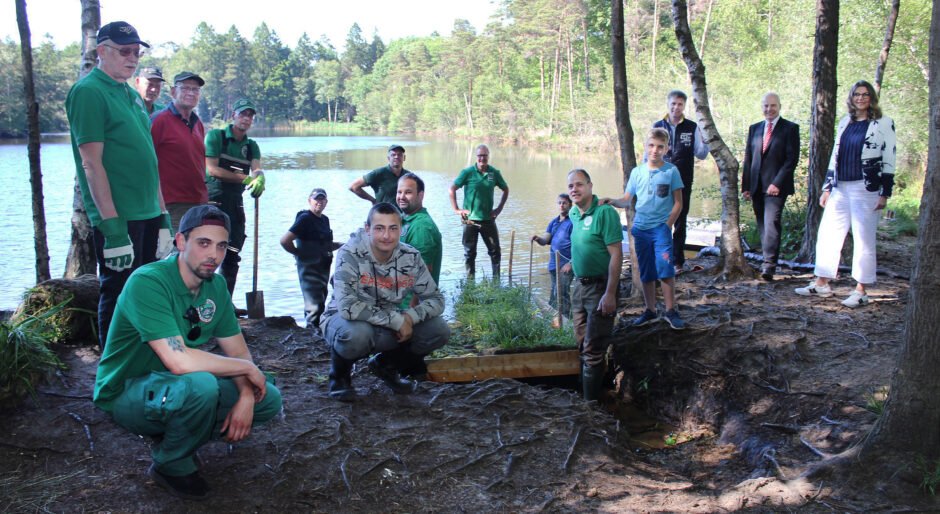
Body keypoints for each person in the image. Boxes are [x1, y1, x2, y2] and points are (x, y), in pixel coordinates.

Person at [92, 205, 282, 500]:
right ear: (180, 242)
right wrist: (245, 370)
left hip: (173, 386)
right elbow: (179, 360)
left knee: (266, 398)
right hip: (126, 391)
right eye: (203, 243)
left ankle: (178, 434)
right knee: (201, 385)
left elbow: (239, 353)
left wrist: (245, 394)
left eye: (221, 246)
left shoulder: (216, 286)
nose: (214, 256)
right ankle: (170, 464)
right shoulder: (148, 281)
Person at [65, 21, 173, 349]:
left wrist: (164, 217)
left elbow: (149, 161)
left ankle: (142, 358)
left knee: (147, 289)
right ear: (101, 51)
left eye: (136, 53)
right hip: (120, 217)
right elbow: (91, 165)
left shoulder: (130, 93)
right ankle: (111, 368)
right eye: (124, 51)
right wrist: (112, 228)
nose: (132, 59)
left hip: (149, 212)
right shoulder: (88, 92)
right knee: (117, 291)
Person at [321, 203, 450, 402]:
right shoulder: (349, 253)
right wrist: (396, 321)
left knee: (439, 329)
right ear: (368, 229)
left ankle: (386, 365)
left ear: (401, 229)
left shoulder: (411, 257)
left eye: (393, 228)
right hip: (343, 319)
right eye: (379, 228)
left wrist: (409, 317)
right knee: (357, 334)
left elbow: (437, 300)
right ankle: (339, 378)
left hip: (388, 319)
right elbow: (347, 307)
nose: (386, 236)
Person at [795, 80, 896, 308]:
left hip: (866, 188)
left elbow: (889, 159)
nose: (860, 98)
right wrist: (827, 187)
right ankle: (821, 283)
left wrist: (884, 193)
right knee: (828, 234)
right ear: (851, 98)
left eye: (865, 94)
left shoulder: (883, 124)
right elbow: (834, 155)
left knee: (863, 239)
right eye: (857, 94)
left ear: (872, 98)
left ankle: (861, 290)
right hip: (841, 188)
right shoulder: (845, 122)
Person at [604, 128, 685, 330]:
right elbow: (626, 200)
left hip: (661, 229)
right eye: (651, 145)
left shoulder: (671, 171)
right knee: (646, 271)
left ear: (666, 148)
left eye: (659, 146)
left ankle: (670, 310)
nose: (655, 150)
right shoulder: (637, 172)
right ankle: (650, 310)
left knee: (665, 269)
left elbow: (678, 203)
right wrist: (611, 201)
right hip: (640, 229)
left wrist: (667, 225)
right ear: (645, 146)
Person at [566, 170, 623, 401]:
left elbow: (616, 255)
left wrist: (610, 293)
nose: (574, 190)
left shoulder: (605, 213)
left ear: (590, 186)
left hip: (601, 287)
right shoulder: (573, 212)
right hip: (579, 287)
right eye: (570, 186)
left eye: (579, 184)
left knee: (593, 348)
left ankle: (590, 405)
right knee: (582, 343)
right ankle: (592, 392)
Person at [205, 98, 266, 296]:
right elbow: (212, 170)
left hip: (236, 203)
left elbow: (256, 168)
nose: (246, 119)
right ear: (234, 116)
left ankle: (225, 301)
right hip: (213, 201)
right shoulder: (216, 136)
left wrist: (260, 178)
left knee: (233, 251)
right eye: (243, 114)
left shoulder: (251, 146)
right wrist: (247, 179)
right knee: (209, 251)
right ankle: (202, 298)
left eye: (250, 115)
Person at [741, 92, 800, 281]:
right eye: (766, 106)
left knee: (772, 224)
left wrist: (777, 183)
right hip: (756, 185)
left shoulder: (790, 129)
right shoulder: (755, 128)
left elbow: (792, 160)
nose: (769, 109)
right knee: (762, 224)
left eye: (773, 106)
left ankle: (769, 266)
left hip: (776, 187)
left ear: (779, 106)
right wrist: (746, 186)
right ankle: (766, 259)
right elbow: (749, 158)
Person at [651, 91, 709, 274]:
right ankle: (661, 258)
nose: (676, 107)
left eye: (680, 104)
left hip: (683, 181)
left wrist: (705, 134)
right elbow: (649, 155)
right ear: (668, 104)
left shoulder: (692, 127)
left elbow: (701, 153)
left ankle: (677, 262)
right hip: (661, 181)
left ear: (684, 106)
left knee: (680, 221)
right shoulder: (658, 126)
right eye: (673, 104)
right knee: (661, 219)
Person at [151, 72, 208, 232]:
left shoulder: (198, 124)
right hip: (172, 204)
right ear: (173, 91)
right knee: (176, 252)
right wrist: (159, 206)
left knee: (197, 253)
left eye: (195, 90)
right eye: (185, 88)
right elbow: (147, 163)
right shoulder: (159, 120)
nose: (191, 93)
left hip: (199, 202)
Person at [280, 188, 342, 328]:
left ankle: (316, 334)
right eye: (316, 199)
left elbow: (325, 245)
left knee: (320, 302)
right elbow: (285, 241)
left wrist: (342, 245)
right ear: (310, 201)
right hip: (309, 270)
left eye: (322, 199)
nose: (319, 202)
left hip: (323, 268)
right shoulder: (305, 219)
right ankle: (311, 335)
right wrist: (298, 254)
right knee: (313, 307)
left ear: (326, 202)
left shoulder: (324, 220)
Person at [448, 144, 509, 277]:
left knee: (495, 251)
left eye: (485, 155)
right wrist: (457, 209)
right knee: (470, 253)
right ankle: (470, 284)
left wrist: (498, 209)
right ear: (476, 157)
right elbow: (452, 189)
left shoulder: (494, 173)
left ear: (488, 156)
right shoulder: (467, 173)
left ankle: (496, 282)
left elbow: (505, 189)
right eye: (480, 156)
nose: (482, 158)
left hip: (488, 219)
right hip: (469, 221)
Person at [531, 194, 574, 317]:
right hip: (553, 264)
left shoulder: (573, 222)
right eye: (559, 203)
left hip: (566, 264)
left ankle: (566, 319)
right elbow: (545, 240)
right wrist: (537, 238)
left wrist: (571, 263)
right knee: (554, 294)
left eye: (565, 203)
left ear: (570, 205)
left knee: (562, 293)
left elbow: (578, 245)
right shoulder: (554, 222)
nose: (562, 205)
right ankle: (554, 318)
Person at [397, 173, 443, 286]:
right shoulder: (404, 219)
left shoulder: (421, 227)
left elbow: (424, 273)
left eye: (408, 192)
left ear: (420, 195)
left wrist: (413, 304)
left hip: (409, 302)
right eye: (399, 192)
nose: (402, 197)